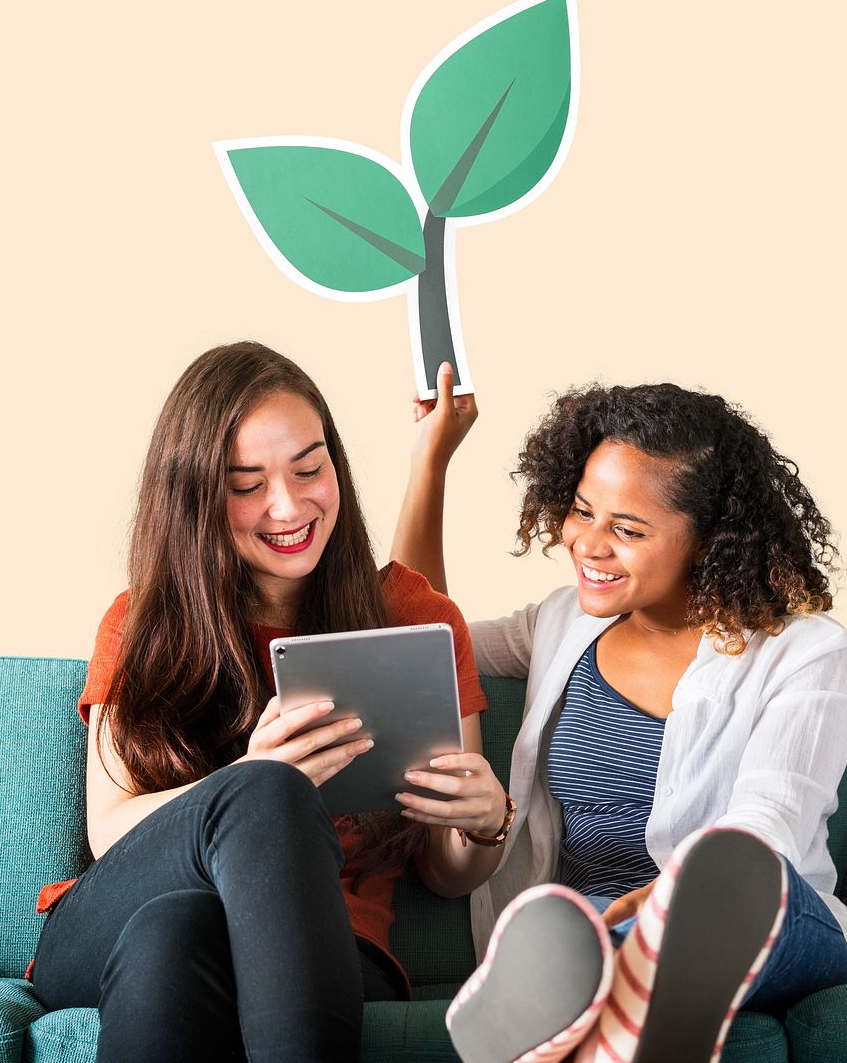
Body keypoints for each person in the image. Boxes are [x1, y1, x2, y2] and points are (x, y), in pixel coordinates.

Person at [29, 342, 514, 1063]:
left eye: (310, 468)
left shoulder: (413, 617)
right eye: (246, 482)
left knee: (177, 933)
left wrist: (483, 824)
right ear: (195, 494)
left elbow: (447, 872)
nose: (288, 505)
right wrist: (252, 783)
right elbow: (112, 832)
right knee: (260, 794)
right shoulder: (141, 622)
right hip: (105, 927)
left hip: (328, 945)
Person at [392, 364, 847, 1063]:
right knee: (585, 937)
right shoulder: (561, 625)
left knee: (738, 882)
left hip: (769, 926)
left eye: (627, 528)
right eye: (583, 510)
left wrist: (674, 899)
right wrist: (429, 460)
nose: (590, 543)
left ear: (710, 539)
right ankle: (617, 1003)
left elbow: (769, 821)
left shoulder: (808, 653)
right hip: (597, 925)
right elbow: (425, 637)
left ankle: (583, 987)